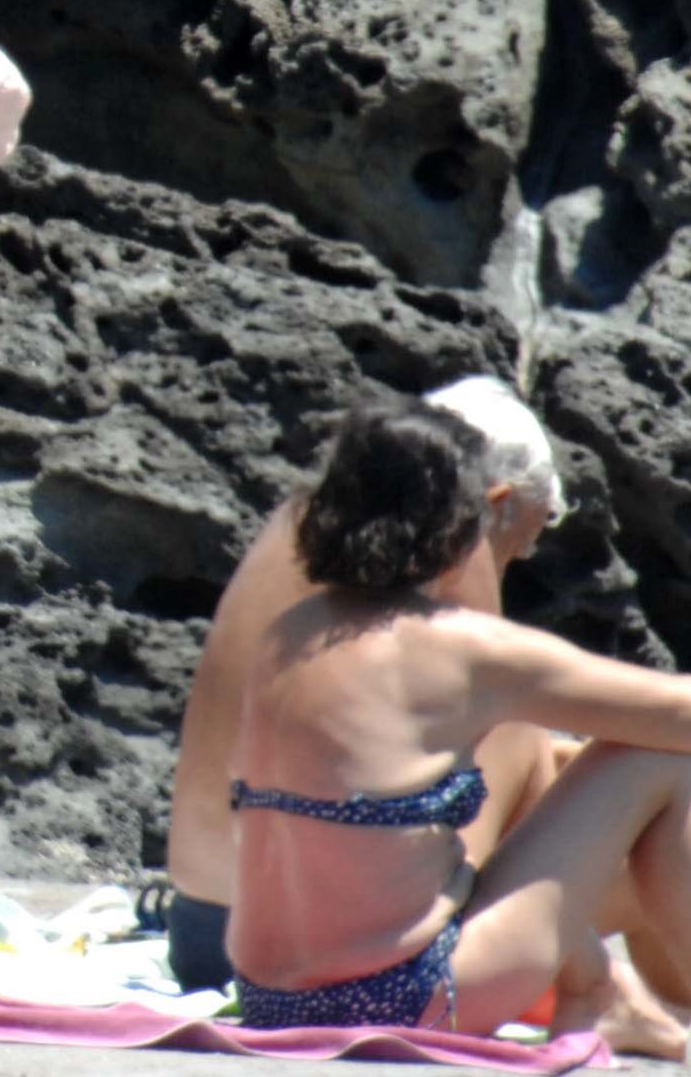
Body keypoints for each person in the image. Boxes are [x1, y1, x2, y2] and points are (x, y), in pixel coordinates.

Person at [223, 396, 691, 1053]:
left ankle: (599, 991)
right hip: (410, 999)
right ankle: (627, 992)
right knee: (657, 757)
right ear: (460, 523)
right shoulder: (460, 650)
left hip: (270, 1002)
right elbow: (677, 716)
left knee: (523, 758)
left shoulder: (287, 636)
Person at [165, 379, 587, 995]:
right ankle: (600, 987)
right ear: (495, 501)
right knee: (546, 745)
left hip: (201, 926)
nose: (510, 561)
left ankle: (599, 983)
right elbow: (488, 719)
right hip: (333, 958)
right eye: (516, 542)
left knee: (545, 752)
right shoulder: (455, 538)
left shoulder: (306, 523)